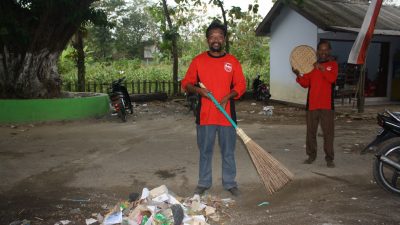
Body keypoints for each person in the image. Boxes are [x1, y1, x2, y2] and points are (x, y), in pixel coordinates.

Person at [181, 20, 246, 196]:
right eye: (212, 37)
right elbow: (186, 83)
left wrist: (227, 97)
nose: (215, 39)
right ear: (207, 40)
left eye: (219, 36)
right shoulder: (198, 61)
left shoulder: (232, 61)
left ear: (224, 39)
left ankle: (230, 183)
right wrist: (198, 90)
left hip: (226, 116)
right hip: (205, 116)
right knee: (205, 151)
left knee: (228, 152)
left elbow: (241, 85)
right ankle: (203, 183)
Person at [292, 40, 338, 168]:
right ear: (317, 51)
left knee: (328, 133)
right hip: (312, 105)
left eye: (325, 49)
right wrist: (298, 75)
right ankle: (311, 156)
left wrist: (321, 68)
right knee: (310, 133)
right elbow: (305, 83)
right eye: (321, 50)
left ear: (329, 51)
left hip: (327, 106)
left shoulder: (333, 65)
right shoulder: (310, 67)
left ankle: (329, 158)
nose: (323, 52)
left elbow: (332, 79)